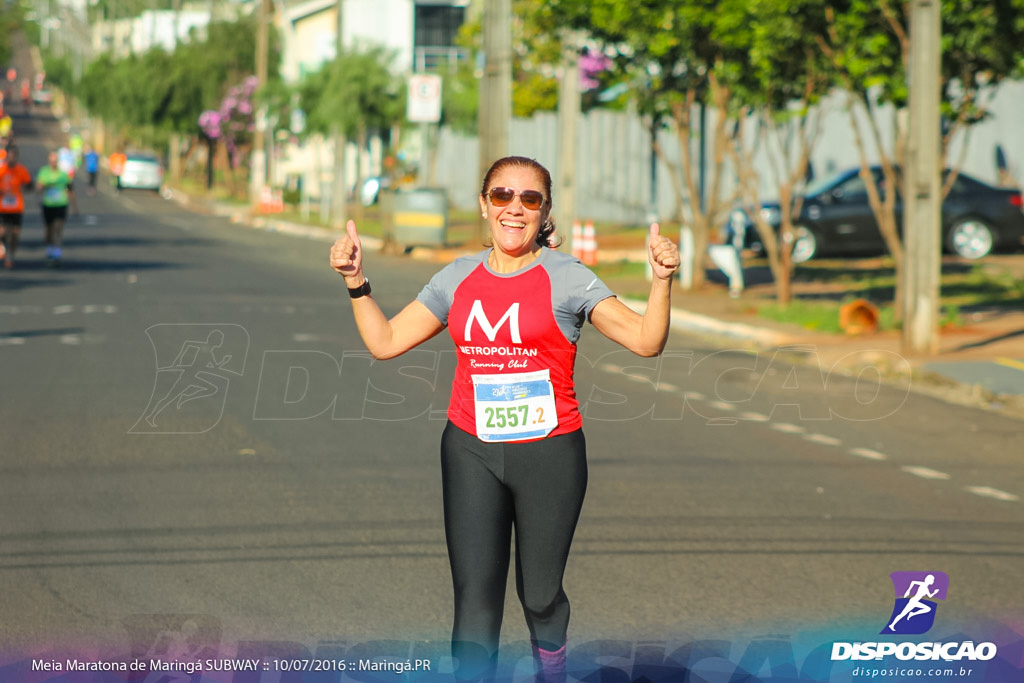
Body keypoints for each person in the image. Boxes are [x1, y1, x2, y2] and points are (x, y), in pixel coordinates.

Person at [329, 156, 680, 682]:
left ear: (544, 212)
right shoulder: (457, 277)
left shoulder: (568, 278)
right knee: (475, 599)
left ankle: (552, 669)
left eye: (529, 199)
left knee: (539, 597)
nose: (514, 208)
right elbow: (385, 342)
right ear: (484, 204)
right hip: (470, 448)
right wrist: (356, 281)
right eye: (502, 196)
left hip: (549, 453)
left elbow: (646, 341)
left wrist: (661, 281)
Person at [37, 150, 77, 266]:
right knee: (49, 230)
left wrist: (75, 207)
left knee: (58, 228)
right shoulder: (44, 172)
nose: (53, 163)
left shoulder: (63, 174)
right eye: (51, 161)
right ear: (48, 161)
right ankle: (49, 250)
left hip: (61, 204)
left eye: (55, 161)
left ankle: (57, 253)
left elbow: (70, 190)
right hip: (48, 205)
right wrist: (42, 188)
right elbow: (39, 187)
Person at [0, 146, 34, 269]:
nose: (11, 159)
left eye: (13, 157)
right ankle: (2, 245)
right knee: (2, 231)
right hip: (2, 207)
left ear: (16, 157)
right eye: (9, 156)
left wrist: (23, 189)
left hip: (16, 207)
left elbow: (30, 184)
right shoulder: (2, 170)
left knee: (15, 233)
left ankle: (10, 256)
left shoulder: (21, 170)